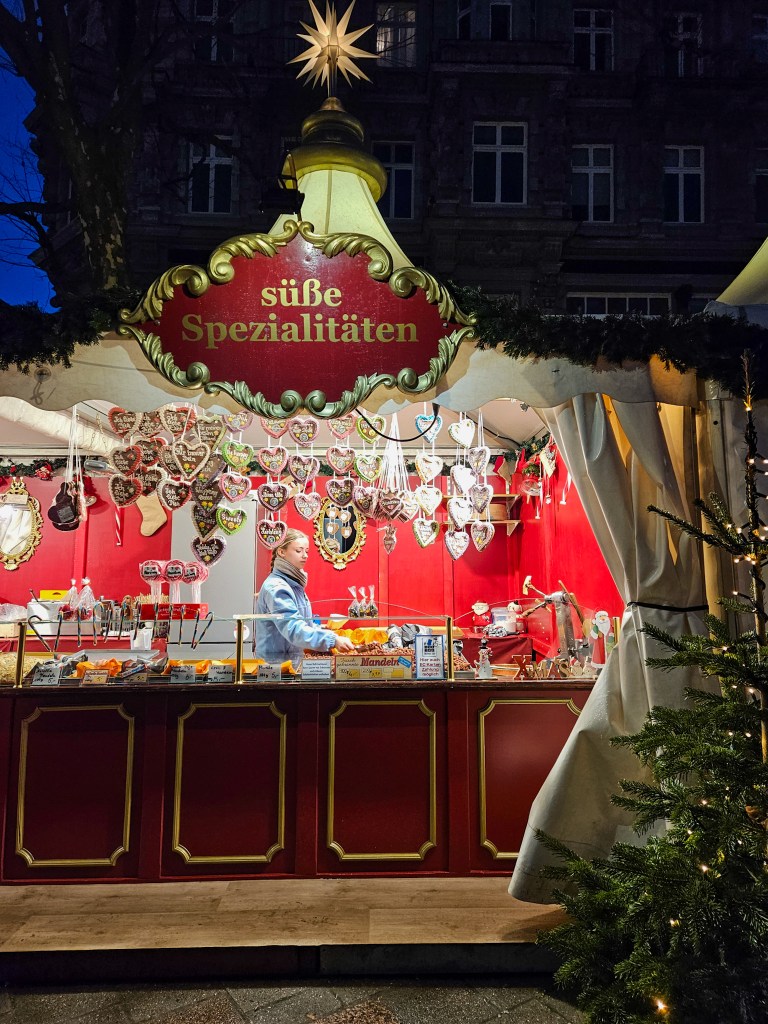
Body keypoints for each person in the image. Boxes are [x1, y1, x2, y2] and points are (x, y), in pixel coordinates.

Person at [255, 529, 355, 667]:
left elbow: (302, 623)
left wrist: (320, 628)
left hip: (290, 664)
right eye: (298, 551)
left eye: (306, 551)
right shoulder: (277, 587)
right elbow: (294, 629)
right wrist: (332, 640)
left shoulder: (293, 584)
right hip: (276, 668)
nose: (305, 556)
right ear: (281, 552)